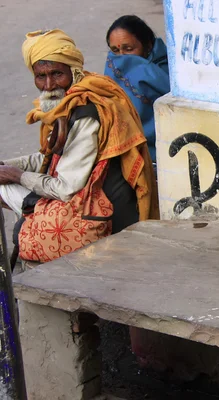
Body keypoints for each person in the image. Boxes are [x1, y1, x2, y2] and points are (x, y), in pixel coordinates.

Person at [0, 28, 159, 266]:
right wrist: (9, 166)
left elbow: (65, 189)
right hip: (89, 199)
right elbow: (49, 157)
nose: (49, 85)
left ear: (73, 71)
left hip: (101, 213)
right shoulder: (69, 102)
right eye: (40, 76)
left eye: (56, 74)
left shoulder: (85, 113)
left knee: (5, 189)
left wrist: (16, 175)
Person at [104, 15, 170, 165]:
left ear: (147, 46)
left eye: (128, 49)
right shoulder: (112, 75)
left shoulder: (168, 74)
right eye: (115, 50)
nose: (121, 58)